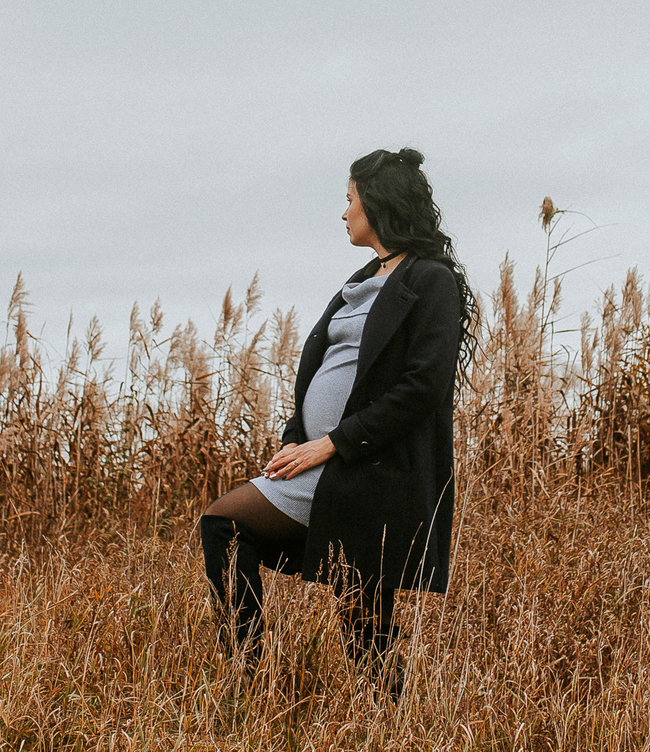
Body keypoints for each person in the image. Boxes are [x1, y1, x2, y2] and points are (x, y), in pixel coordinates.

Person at [198, 147, 471, 686]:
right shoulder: (362, 278)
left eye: (350, 200)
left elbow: (423, 387)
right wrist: (296, 437)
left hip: (372, 469)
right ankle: (250, 675)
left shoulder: (433, 281)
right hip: (325, 462)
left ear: (377, 203)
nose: (343, 213)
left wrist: (332, 443)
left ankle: (367, 717)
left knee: (362, 615)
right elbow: (323, 370)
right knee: (232, 531)